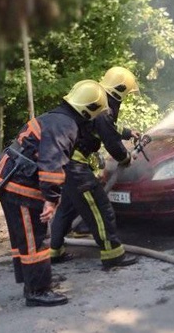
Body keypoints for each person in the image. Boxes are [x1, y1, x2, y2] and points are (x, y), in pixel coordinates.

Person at [0, 80, 109, 307]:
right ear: (88, 110)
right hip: (20, 185)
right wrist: (51, 200)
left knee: (25, 237)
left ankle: (33, 279)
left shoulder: (57, 117)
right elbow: (52, 164)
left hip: (11, 180)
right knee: (35, 238)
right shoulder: (66, 125)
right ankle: (37, 291)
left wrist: (52, 195)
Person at [49, 66, 141, 269]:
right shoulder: (106, 106)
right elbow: (109, 138)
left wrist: (127, 132)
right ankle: (112, 255)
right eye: (127, 92)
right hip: (75, 168)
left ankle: (54, 251)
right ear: (121, 88)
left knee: (67, 208)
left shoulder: (97, 97)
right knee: (100, 208)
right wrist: (125, 158)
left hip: (63, 163)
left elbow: (101, 126)